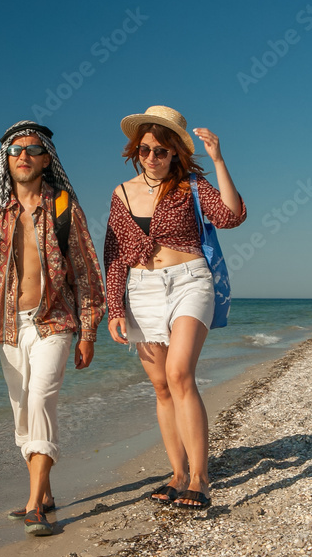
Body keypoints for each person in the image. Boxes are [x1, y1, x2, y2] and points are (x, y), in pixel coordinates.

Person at [0, 120, 105, 535]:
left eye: (33, 150)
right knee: (22, 413)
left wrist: (89, 332)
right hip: (8, 327)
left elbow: (86, 272)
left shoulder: (64, 207)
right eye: (15, 150)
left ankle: (35, 505)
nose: (24, 156)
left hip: (55, 319)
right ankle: (47, 494)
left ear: (46, 159)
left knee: (40, 400)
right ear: (6, 160)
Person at [104, 105, 246, 509]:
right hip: (141, 289)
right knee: (162, 386)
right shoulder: (121, 193)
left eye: (161, 151)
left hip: (190, 281)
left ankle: (200, 478)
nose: (152, 157)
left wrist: (218, 160)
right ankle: (178, 474)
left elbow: (232, 216)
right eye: (145, 149)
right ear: (136, 150)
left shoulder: (192, 185)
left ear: (175, 153)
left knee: (180, 373)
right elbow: (114, 253)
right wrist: (114, 307)